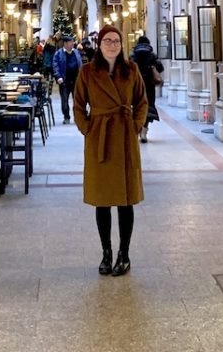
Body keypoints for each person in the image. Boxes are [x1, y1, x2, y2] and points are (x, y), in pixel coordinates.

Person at [73, 25, 148, 276]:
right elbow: (77, 104)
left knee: (126, 202)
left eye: (116, 40)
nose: (112, 44)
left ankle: (124, 254)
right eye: (107, 40)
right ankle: (106, 253)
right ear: (99, 44)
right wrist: (88, 128)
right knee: (102, 201)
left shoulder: (132, 70)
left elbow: (141, 101)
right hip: (100, 140)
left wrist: (136, 125)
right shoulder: (87, 72)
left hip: (125, 137)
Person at [130, 34, 164, 142]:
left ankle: (138, 129)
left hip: (136, 86)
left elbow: (127, 69)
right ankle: (144, 132)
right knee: (148, 107)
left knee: (136, 107)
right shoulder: (152, 55)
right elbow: (160, 68)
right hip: (149, 86)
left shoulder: (133, 55)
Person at [52, 34, 82, 123]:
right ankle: (66, 117)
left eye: (73, 42)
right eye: (70, 42)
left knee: (77, 101)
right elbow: (55, 66)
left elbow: (80, 64)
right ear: (65, 43)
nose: (72, 43)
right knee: (64, 100)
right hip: (64, 81)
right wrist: (58, 77)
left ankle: (77, 117)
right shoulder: (59, 54)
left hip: (76, 80)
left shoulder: (76, 52)